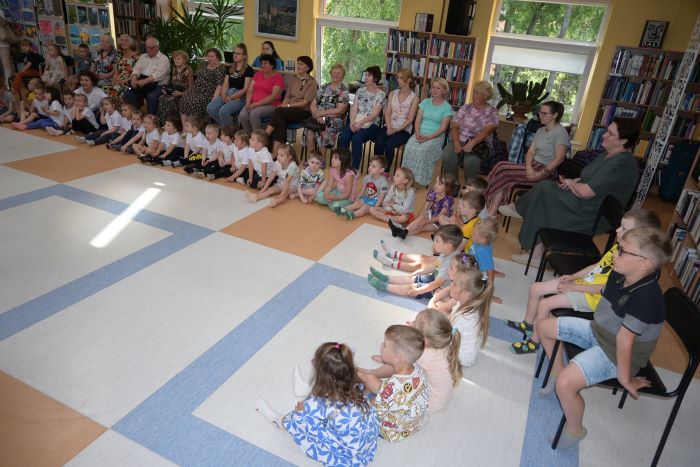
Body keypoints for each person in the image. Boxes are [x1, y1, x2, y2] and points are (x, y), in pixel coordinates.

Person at [535, 227, 671, 449]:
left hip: (617, 353)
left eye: (622, 251)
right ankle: (558, 371)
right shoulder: (621, 271)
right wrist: (574, 286)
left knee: (565, 384)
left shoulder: (647, 298)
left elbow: (625, 341)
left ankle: (575, 430)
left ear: (644, 263)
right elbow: (604, 288)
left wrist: (626, 379)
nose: (615, 253)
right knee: (543, 327)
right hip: (600, 331)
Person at [506, 208, 661, 355]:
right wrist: (573, 277)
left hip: (593, 297)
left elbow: (604, 289)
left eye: (624, 228)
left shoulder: (628, 264)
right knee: (536, 288)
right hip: (583, 284)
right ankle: (527, 325)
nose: (617, 230)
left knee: (545, 304)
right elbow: (597, 266)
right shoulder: (617, 249)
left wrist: (574, 287)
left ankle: (534, 341)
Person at [502, 117, 641, 264]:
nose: (604, 135)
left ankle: (520, 209)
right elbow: (589, 178)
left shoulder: (622, 163)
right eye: (607, 131)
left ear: (623, 141)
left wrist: (570, 183)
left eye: (610, 134)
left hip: (592, 212)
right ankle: (535, 251)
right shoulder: (607, 154)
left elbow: (586, 192)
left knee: (545, 191)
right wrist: (573, 182)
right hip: (585, 202)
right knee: (546, 192)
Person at [255, 342, 379, 466]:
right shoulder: (356, 385)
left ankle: (279, 421)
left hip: (347, 454)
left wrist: (301, 413)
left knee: (298, 418)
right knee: (318, 407)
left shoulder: (319, 405)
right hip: (364, 443)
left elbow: (312, 423)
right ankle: (304, 390)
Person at [485, 101, 569, 217]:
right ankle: (492, 210)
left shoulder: (560, 132)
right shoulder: (541, 130)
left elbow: (559, 159)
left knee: (502, 167)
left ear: (555, 115)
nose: (540, 116)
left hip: (545, 171)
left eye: (544, 114)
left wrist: (541, 174)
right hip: (532, 166)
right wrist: (529, 167)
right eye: (540, 113)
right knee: (503, 171)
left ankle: (485, 201)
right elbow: (531, 151)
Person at [356, 325, 431, 443]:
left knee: (359, 404)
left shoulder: (392, 389)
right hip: (414, 420)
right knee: (371, 379)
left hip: (392, 430)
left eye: (385, 345)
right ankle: (361, 373)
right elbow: (393, 370)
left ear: (397, 358)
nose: (381, 345)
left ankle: (345, 370)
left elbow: (373, 407)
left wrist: (361, 401)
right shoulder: (416, 367)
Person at [369, 224, 462, 300]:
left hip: (439, 288)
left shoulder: (451, 262)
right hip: (435, 278)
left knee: (412, 287)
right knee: (412, 278)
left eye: (437, 241)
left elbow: (437, 284)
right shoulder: (446, 252)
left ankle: (385, 286)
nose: (434, 243)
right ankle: (386, 278)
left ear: (448, 246)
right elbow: (435, 265)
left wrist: (418, 291)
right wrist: (420, 271)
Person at [441, 80, 499, 183]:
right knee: (447, 156)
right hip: (459, 139)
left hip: (479, 145)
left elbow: (487, 131)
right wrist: (456, 143)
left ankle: (470, 187)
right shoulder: (465, 108)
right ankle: (454, 184)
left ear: (485, 96)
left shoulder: (492, 112)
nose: (474, 95)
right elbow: (454, 126)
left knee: (471, 162)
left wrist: (472, 143)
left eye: (477, 93)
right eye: (474, 92)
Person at [401, 78, 454, 186]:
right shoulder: (425, 102)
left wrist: (429, 137)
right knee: (409, 147)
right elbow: (417, 120)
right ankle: (405, 177)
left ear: (444, 90)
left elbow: (443, 128)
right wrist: (417, 134)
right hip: (419, 133)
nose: (434, 90)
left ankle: (418, 180)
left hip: (435, 137)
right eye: (433, 87)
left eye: (438, 88)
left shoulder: (447, 107)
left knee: (422, 150)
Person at [265, 55, 318, 155]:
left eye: (301, 64)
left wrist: (287, 106)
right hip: (289, 111)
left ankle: (265, 135)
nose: (298, 66)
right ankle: (276, 153)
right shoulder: (294, 79)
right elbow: (287, 97)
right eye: (298, 64)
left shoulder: (312, 83)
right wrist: (284, 105)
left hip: (303, 111)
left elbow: (305, 102)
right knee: (280, 120)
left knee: (279, 112)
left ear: (308, 68)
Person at [338, 66, 386, 170]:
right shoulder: (360, 90)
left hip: (371, 124)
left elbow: (374, 114)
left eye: (369, 75)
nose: (366, 77)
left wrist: (360, 123)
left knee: (356, 139)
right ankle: (342, 165)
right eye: (366, 75)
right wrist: (352, 122)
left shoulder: (381, 94)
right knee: (344, 137)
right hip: (355, 120)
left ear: (375, 78)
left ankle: (354, 169)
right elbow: (354, 108)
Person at [388, 171, 456, 239]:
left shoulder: (448, 200)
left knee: (422, 227)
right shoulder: (433, 193)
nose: (436, 185)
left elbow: (439, 217)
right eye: (436, 182)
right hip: (431, 215)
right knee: (420, 220)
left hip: (439, 222)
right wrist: (419, 219)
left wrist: (426, 222)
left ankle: (402, 232)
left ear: (447, 188)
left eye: (439, 184)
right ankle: (403, 232)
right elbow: (425, 208)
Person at [449, 267, 493, 367]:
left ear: (466, 294)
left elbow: (449, 338)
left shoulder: (464, 318)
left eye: (454, 284)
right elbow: (451, 319)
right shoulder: (467, 304)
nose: (451, 285)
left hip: (461, 357)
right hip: (462, 344)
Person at [374, 69, 419, 167]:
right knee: (379, 140)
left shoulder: (415, 98)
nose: (398, 80)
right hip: (389, 126)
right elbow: (387, 113)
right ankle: (377, 167)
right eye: (397, 77)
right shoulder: (392, 93)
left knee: (389, 144)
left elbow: (410, 119)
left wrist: (396, 130)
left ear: (409, 80)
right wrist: (389, 127)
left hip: (403, 130)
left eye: (401, 78)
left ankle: (385, 170)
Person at [305, 63, 349, 151]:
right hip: (318, 116)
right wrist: (317, 115)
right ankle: (313, 157)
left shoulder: (343, 90)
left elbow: (339, 110)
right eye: (334, 72)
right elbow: (313, 104)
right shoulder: (324, 87)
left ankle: (321, 159)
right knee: (309, 130)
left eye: (338, 73)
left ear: (342, 76)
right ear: (330, 73)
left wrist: (321, 113)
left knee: (324, 132)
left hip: (334, 119)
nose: (335, 75)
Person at [206, 43, 253, 126]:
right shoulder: (231, 67)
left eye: (238, 53)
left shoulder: (249, 70)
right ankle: (230, 127)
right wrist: (224, 95)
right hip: (228, 93)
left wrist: (231, 97)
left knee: (224, 111)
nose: (235, 55)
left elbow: (245, 89)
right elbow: (226, 84)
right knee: (210, 108)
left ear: (244, 56)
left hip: (240, 97)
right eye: (234, 53)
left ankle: (228, 130)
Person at [123, 36, 170, 115]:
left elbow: (158, 75)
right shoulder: (143, 56)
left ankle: (151, 118)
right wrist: (134, 78)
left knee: (151, 97)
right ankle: (137, 115)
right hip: (143, 82)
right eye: (146, 47)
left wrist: (144, 81)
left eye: (150, 48)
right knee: (128, 93)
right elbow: (137, 69)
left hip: (158, 84)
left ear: (157, 47)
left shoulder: (164, 59)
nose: (148, 50)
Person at [178, 48, 227, 122]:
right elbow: (195, 76)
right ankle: (185, 127)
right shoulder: (204, 64)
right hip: (196, 90)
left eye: (212, 56)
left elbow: (219, 85)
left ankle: (194, 125)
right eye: (208, 56)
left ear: (218, 57)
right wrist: (189, 72)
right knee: (184, 99)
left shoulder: (221, 68)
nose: (209, 58)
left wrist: (214, 98)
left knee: (194, 103)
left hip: (207, 93)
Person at [238, 54, 284, 132]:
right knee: (242, 115)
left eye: (265, 63)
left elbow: (273, 96)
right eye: (262, 63)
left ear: (272, 65)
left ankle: (258, 137)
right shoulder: (257, 74)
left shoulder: (278, 77)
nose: (263, 65)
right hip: (253, 103)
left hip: (271, 105)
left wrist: (257, 104)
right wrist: (248, 103)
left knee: (254, 114)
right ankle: (250, 135)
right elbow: (250, 90)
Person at [337, 155, 389, 220]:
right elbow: (362, 191)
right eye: (370, 165)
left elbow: (381, 197)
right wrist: (356, 201)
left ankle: (353, 214)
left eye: (373, 166)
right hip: (368, 198)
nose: (370, 168)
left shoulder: (383, 182)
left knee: (364, 207)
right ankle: (342, 210)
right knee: (357, 203)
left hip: (377, 201)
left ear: (381, 170)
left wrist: (375, 208)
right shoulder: (367, 177)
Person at [157, 50, 193, 125]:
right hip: (174, 92)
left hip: (184, 93)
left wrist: (181, 93)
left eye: (178, 58)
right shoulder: (174, 69)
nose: (176, 60)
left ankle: (173, 124)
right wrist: (167, 90)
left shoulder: (188, 70)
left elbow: (191, 88)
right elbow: (172, 84)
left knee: (170, 101)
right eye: (175, 59)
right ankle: (164, 123)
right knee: (161, 98)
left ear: (184, 60)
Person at [315, 147, 357, 211]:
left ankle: (349, 204)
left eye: (335, 158)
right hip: (337, 191)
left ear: (343, 161)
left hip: (348, 197)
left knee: (334, 206)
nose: (332, 160)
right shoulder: (332, 169)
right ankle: (331, 202)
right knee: (319, 196)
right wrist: (326, 193)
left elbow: (348, 194)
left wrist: (335, 198)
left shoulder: (349, 174)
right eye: (332, 157)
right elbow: (330, 185)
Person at [103, 34, 140, 104]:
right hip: (118, 82)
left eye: (126, 41)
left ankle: (123, 109)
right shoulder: (119, 55)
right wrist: (114, 80)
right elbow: (116, 71)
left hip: (129, 83)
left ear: (131, 43)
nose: (123, 42)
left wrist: (122, 81)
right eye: (122, 40)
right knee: (105, 89)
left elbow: (137, 74)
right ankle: (112, 109)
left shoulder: (138, 57)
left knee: (116, 91)